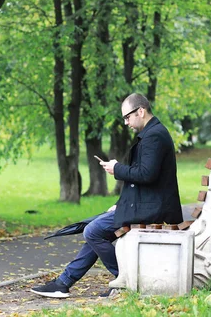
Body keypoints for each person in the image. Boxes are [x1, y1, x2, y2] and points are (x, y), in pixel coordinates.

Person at [30, 93, 183, 298]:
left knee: (93, 231)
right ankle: (63, 283)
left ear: (140, 111)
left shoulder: (154, 136)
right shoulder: (152, 133)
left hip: (155, 209)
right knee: (95, 228)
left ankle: (125, 279)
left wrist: (117, 168)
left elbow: (147, 175)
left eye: (127, 117)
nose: (126, 122)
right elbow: (144, 180)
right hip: (148, 204)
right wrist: (120, 204)